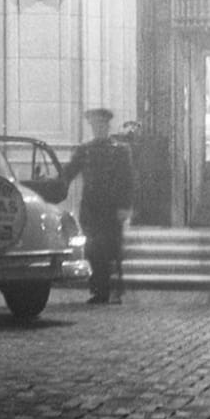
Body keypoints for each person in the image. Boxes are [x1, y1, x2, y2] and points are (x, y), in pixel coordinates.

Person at [58, 106, 134, 304]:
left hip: (111, 208)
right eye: (94, 125)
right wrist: (53, 182)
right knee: (93, 250)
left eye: (101, 125)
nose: (98, 128)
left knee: (111, 249)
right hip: (91, 208)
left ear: (107, 126)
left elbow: (127, 180)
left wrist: (125, 207)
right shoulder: (85, 150)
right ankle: (99, 290)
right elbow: (69, 172)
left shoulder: (120, 150)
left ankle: (111, 290)